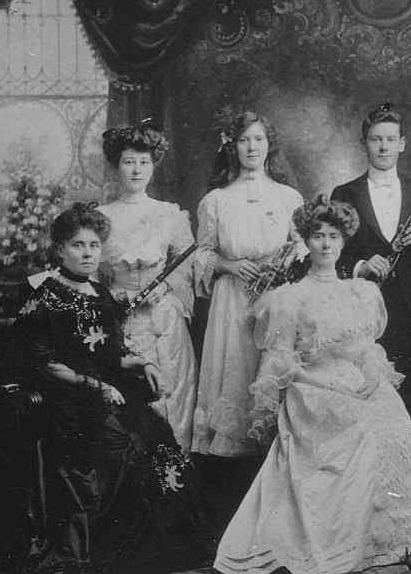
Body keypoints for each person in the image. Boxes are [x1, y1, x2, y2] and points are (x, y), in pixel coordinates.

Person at [214, 196, 411, 574]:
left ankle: (386, 538)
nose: (325, 244)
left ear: (343, 242)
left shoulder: (361, 292)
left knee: (390, 422)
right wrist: (324, 384)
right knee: (354, 429)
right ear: (306, 240)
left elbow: (366, 349)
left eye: (333, 236)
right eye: (317, 235)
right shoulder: (288, 299)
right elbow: (281, 361)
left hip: (357, 381)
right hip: (313, 388)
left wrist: (371, 378)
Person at [14, 203, 208, 573]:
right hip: (64, 394)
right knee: (118, 443)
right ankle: (102, 551)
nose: (87, 253)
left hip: (106, 389)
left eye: (93, 246)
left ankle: (153, 553)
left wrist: (146, 362)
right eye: (77, 245)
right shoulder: (42, 294)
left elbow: (113, 353)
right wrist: (95, 386)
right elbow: (43, 362)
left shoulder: (100, 293)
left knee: (156, 437)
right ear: (59, 249)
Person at [193, 110, 305, 457]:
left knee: (271, 369)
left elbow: (302, 244)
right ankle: (231, 459)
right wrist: (229, 264)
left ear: (269, 145)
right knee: (237, 371)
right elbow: (201, 255)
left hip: (276, 295)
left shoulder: (288, 198)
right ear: (232, 146)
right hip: (233, 299)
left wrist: (283, 263)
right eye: (243, 140)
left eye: (258, 139)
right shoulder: (216, 200)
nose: (251, 147)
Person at [331, 103, 411, 429]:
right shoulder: (344, 192)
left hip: (410, 306)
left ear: (402, 144)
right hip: (365, 305)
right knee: (368, 386)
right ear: (364, 143)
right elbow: (331, 252)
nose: (383, 146)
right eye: (376, 139)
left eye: (390, 139)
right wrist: (362, 266)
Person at [97, 120, 198, 452]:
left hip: (164, 320)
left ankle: (176, 485)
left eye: (144, 162)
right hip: (120, 321)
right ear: (116, 165)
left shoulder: (168, 214)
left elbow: (187, 263)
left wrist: (166, 287)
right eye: (128, 161)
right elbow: (91, 275)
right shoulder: (101, 217)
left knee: (173, 399)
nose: (136, 170)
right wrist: (111, 296)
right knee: (132, 408)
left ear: (153, 165)